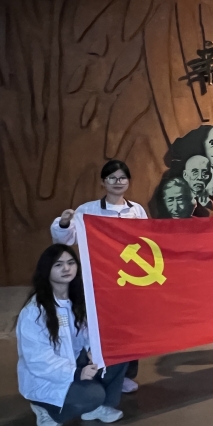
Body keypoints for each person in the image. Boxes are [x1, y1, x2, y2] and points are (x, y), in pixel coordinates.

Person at [50, 159, 145, 393]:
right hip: (97, 279)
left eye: (122, 178)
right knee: (97, 326)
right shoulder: (88, 210)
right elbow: (65, 240)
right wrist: (64, 223)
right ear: (103, 182)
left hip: (130, 280)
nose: (117, 182)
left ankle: (125, 374)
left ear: (128, 181)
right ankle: (96, 370)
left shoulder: (136, 210)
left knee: (129, 327)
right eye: (112, 178)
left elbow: (146, 241)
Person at [17, 245, 128, 426]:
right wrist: (76, 373)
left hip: (76, 360)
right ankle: (46, 409)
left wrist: (93, 349)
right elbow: (37, 360)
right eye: (58, 265)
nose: (66, 268)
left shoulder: (79, 299)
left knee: (119, 353)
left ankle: (98, 407)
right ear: (47, 270)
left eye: (70, 263)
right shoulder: (34, 312)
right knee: (92, 395)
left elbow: (87, 332)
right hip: (49, 375)